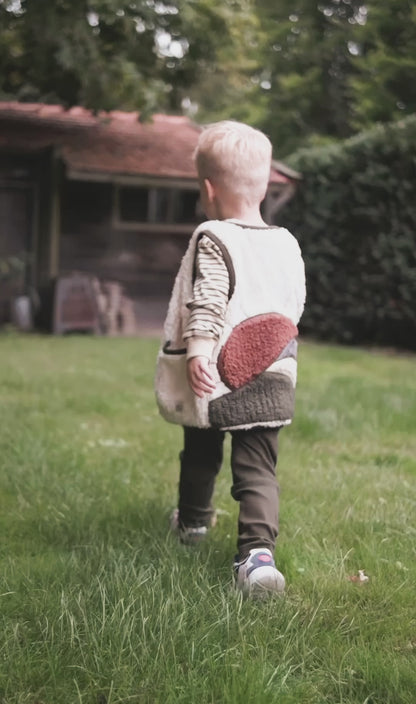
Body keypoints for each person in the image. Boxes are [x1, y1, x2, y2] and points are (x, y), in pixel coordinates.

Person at [155, 120, 306, 597]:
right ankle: (258, 557)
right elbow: (293, 303)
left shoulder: (215, 236)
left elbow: (210, 296)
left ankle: (194, 525)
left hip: (218, 372)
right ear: (263, 185)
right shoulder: (287, 242)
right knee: (259, 466)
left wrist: (200, 348)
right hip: (275, 369)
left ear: (208, 189)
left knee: (201, 446)